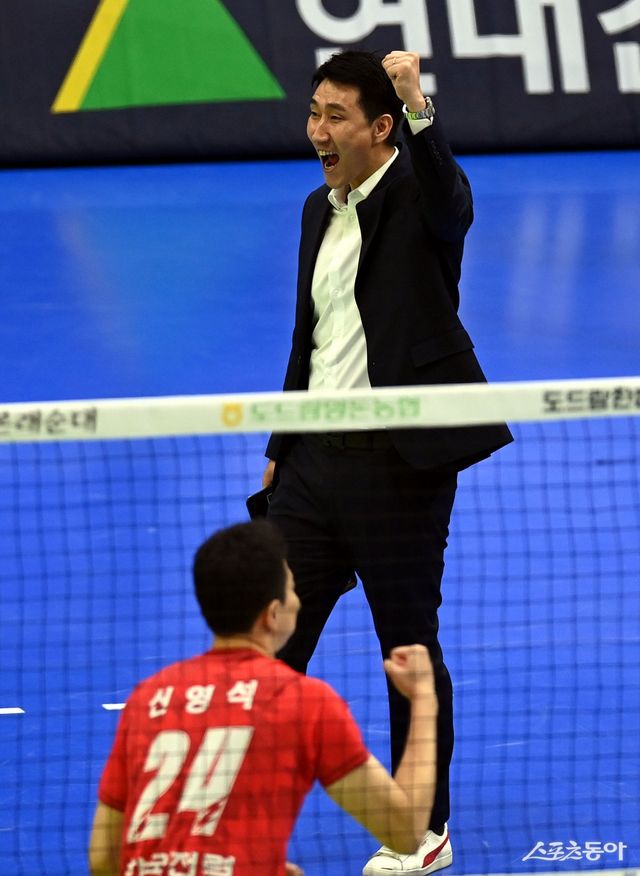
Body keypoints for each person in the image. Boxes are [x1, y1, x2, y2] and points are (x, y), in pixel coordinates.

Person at [262, 50, 513, 875]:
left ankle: (422, 828)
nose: (317, 130)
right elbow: (309, 339)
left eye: (336, 117)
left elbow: (453, 201)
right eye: (313, 113)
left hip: (400, 465)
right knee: (269, 640)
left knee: (407, 648)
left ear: (380, 129)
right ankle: (238, 820)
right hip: (312, 466)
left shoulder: (418, 196)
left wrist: (417, 104)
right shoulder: (317, 209)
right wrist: (280, 448)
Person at [88, 520, 439, 876]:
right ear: (273, 615)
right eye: (292, 590)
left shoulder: (148, 698)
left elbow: (102, 859)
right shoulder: (304, 703)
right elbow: (406, 830)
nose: (298, 601)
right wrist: (424, 698)